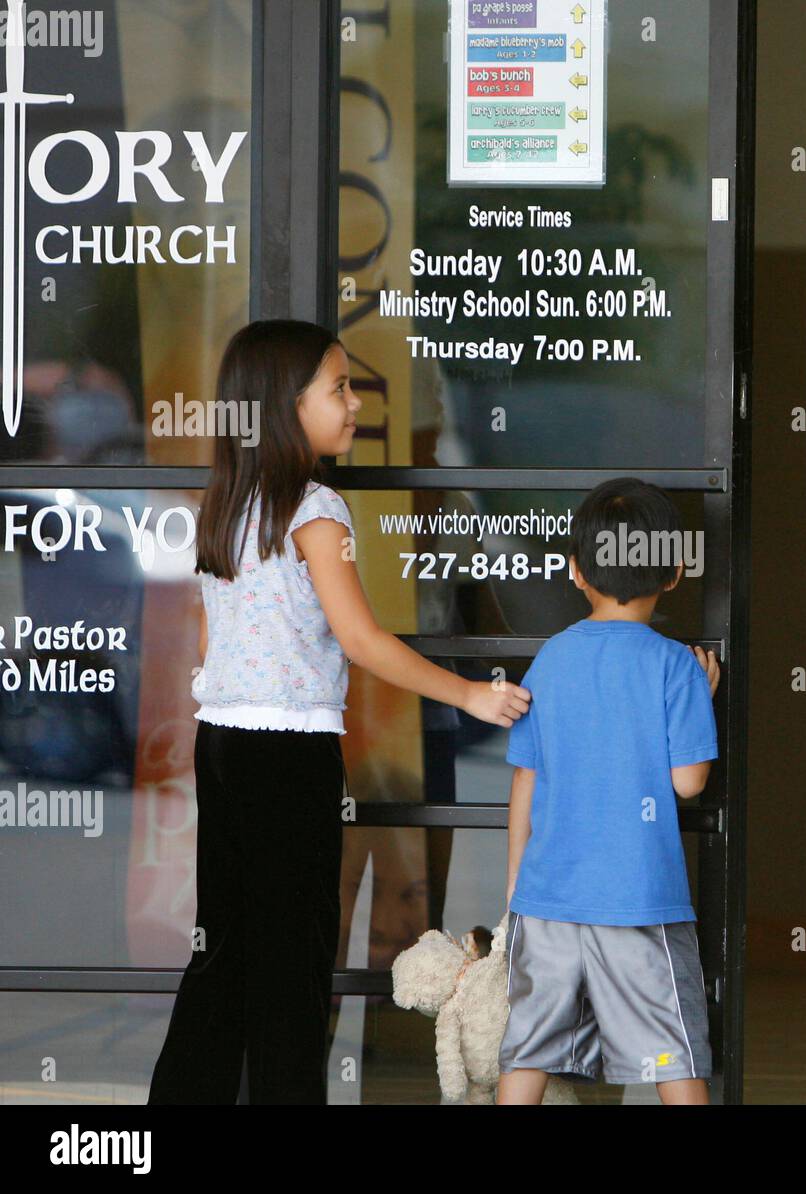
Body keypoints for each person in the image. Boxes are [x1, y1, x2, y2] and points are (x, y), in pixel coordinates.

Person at [148, 319, 531, 1104]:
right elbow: (359, 639)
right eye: (340, 387)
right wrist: (469, 693)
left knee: (224, 953)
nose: (356, 404)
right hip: (289, 756)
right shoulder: (316, 510)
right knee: (293, 962)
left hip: (222, 745)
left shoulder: (227, 501)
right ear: (287, 407)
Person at [495, 478, 721, 1105]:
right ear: (675, 573)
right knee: (673, 1053)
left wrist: (518, 883)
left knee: (527, 1049)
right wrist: (701, 698)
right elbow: (689, 783)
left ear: (575, 572)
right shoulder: (676, 666)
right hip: (640, 902)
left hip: (549, 898)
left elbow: (526, 777)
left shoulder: (552, 659)